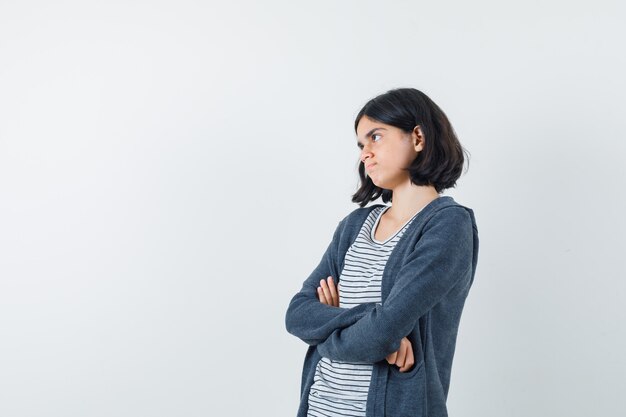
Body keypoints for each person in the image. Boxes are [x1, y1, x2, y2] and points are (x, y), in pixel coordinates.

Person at [285, 87, 479, 417]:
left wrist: (331, 331)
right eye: (361, 144)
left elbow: (381, 332)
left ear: (418, 137)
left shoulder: (447, 225)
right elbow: (297, 314)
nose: (365, 154)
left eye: (376, 137)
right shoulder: (354, 225)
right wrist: (369, 320)